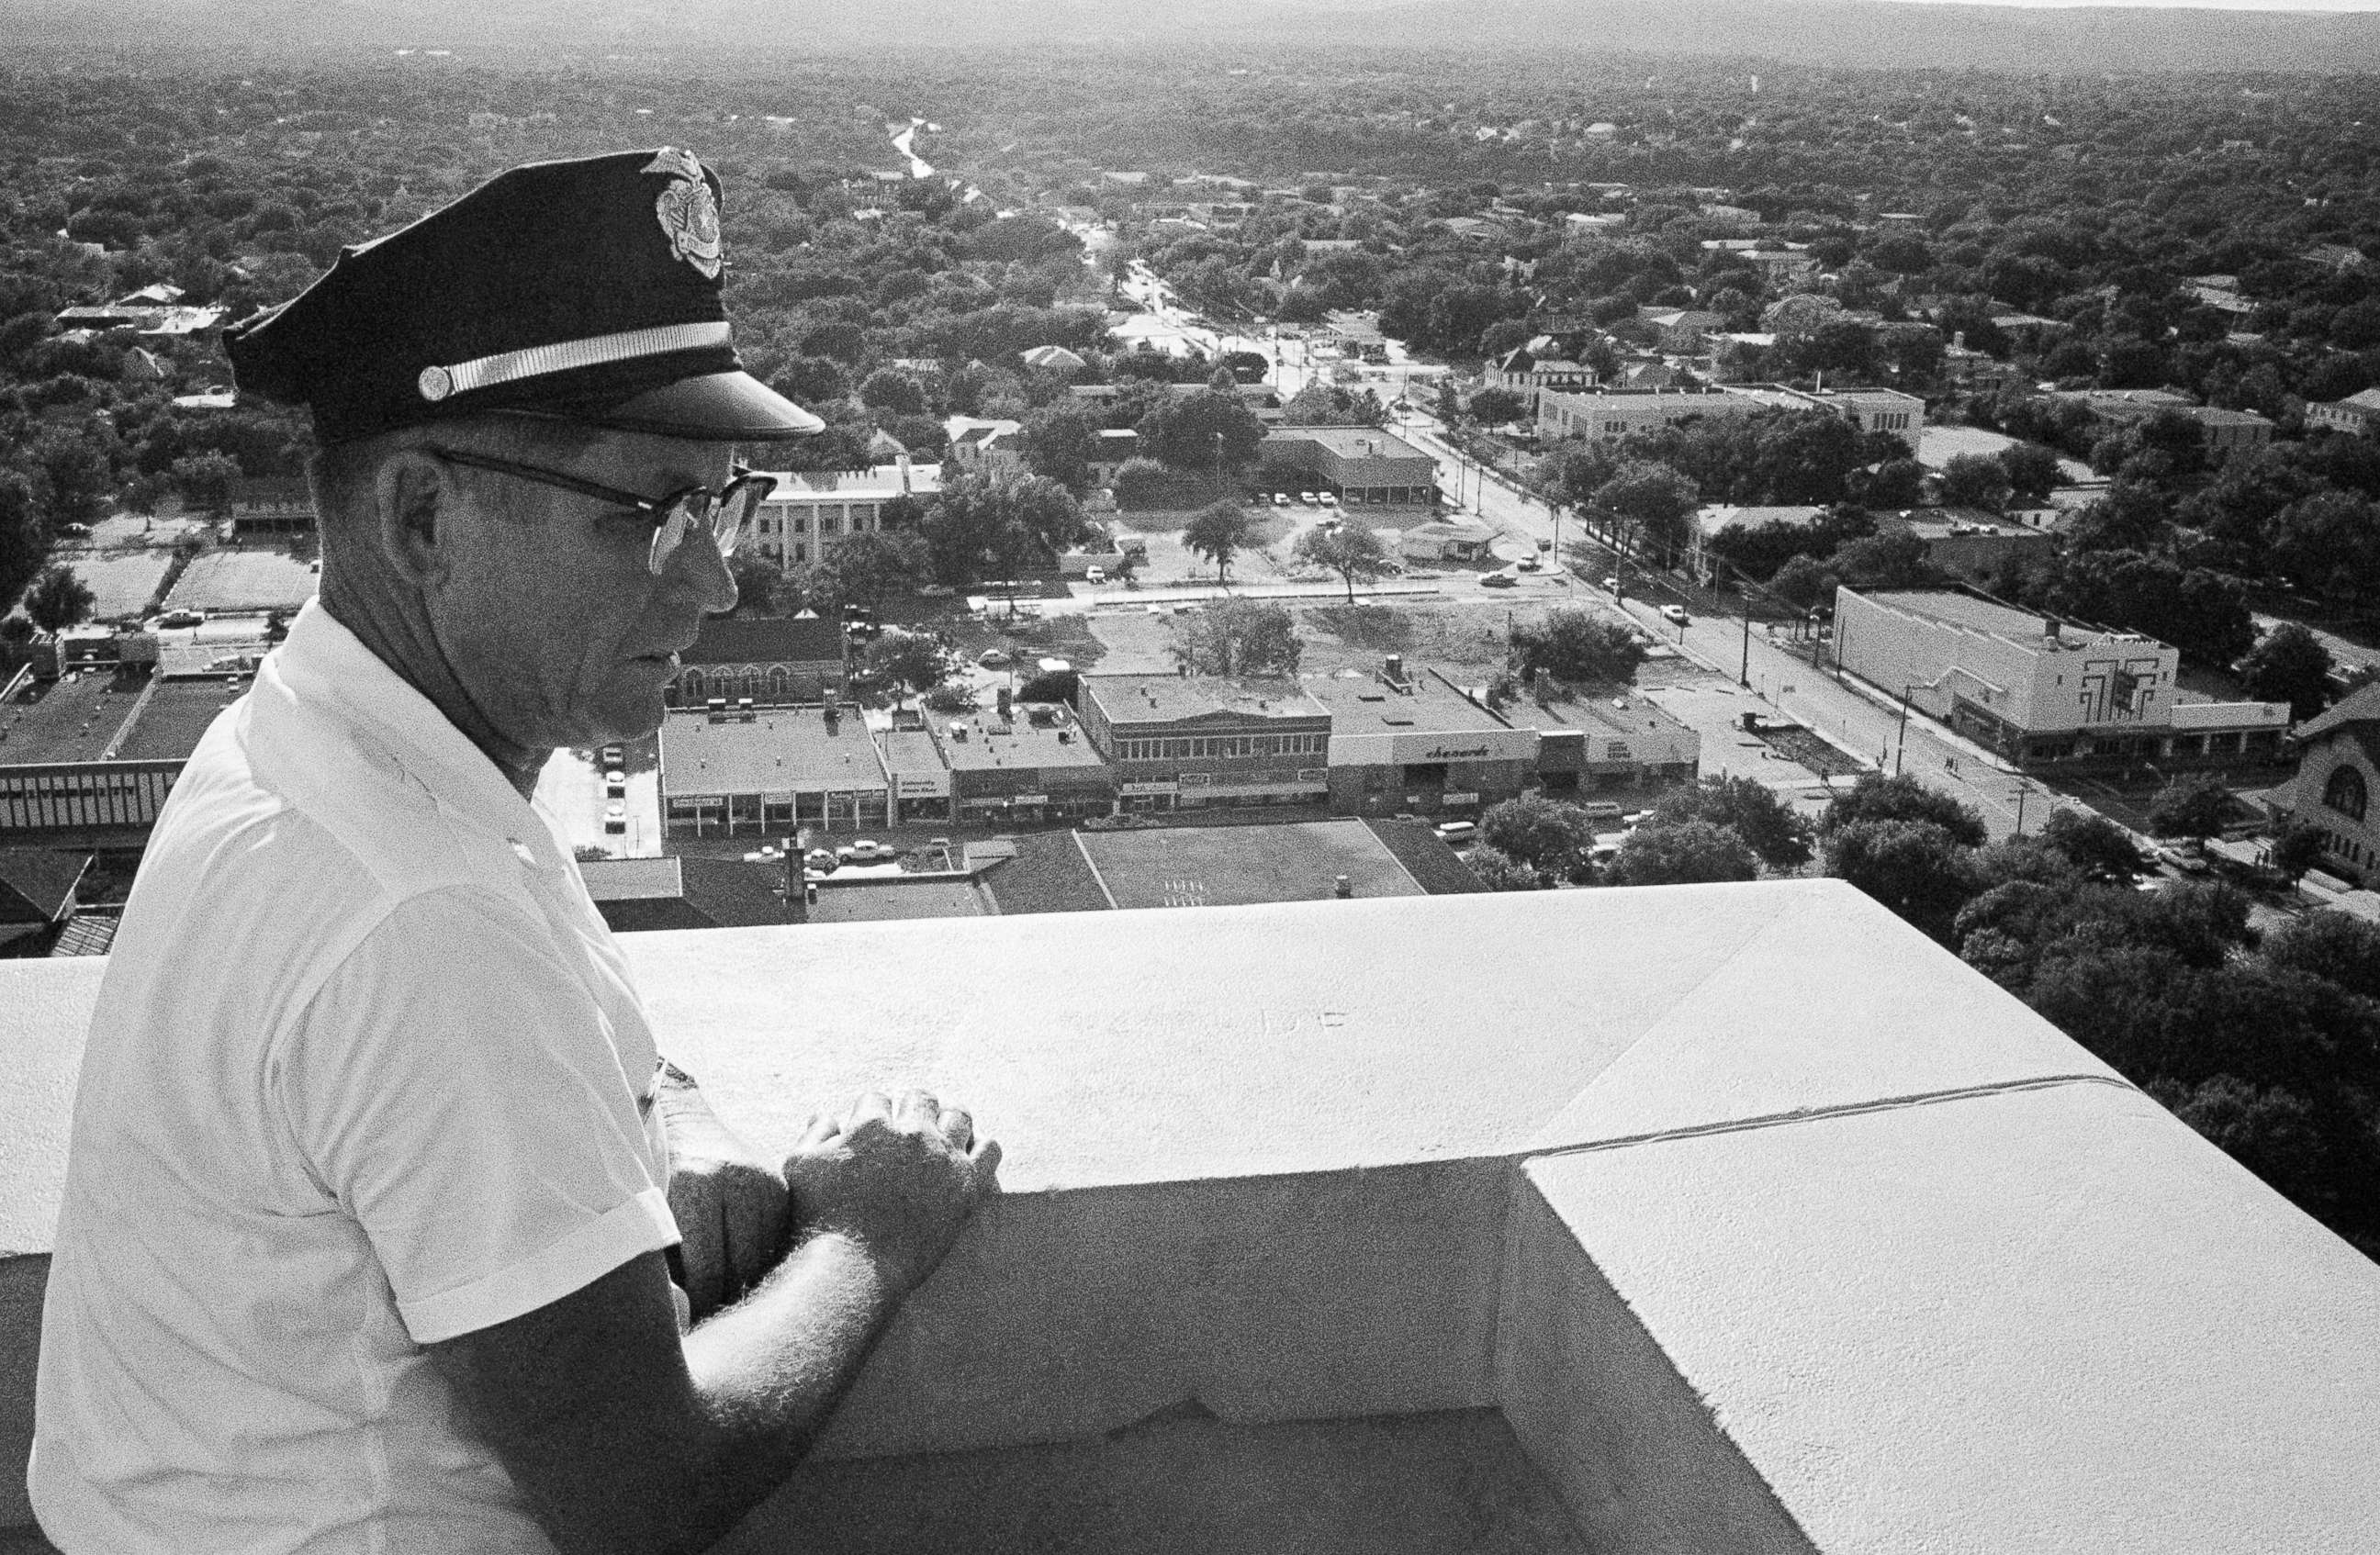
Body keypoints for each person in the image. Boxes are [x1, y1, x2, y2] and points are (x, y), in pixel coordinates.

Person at [31, 149, 1000, 1555]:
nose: (718, 579)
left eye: (724, 506)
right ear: (422, 517)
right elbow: (649, 1487)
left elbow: (502, 1038)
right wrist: (871, 1232)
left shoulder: (319, 745)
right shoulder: (416, 912)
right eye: (652, 514)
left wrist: (667, 1105)